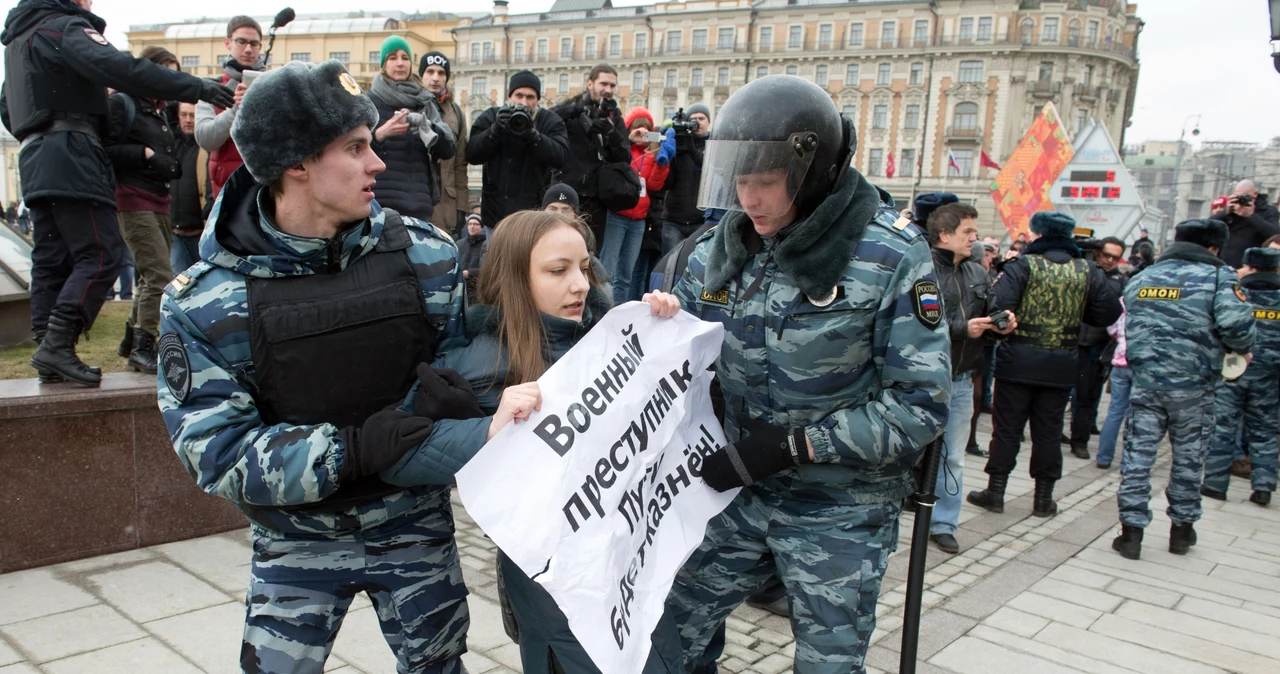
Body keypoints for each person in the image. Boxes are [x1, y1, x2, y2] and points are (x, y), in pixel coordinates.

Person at [156, 60, 469, 671]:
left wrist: (471, 395)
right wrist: (349, 452)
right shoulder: (203, 301)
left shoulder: (428, 256)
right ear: (294, 163)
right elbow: (216, 453)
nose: (377, 163)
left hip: (414, 530)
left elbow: (471, 369)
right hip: (297, 545)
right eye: (355, 148)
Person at [663, 75, 951, 674]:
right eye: (739, 180)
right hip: (736, 488)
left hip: (840, 504)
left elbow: (919, 405)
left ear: (812, 173)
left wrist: (795, 445)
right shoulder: (723, 246)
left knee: (828, 663)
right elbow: (679, 351)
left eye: (765, 183)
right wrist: (656, 326)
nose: (749, 199)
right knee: (667, 639)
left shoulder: (889, 254)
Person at [380, 209, 685, 673]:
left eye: (584, 267)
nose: (580, 284)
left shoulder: (607, 336)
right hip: (557, 596)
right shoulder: (483, 358)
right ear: (516, 279)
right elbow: (399, 453)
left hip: (630, 572)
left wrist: (661, 330)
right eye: (558, 271)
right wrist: (488, 430)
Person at [1, 0, 234, 387]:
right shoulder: (63, 27)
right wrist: (196, 87)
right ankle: (58, 344)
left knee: (52, 255)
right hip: (73, 150)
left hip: (36, 153)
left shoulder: (20, 39)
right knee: (102, 252)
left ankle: (49, 347)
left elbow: (9, 107)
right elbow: (120, 68)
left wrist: (39, 131)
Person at [1112, 219, 1256, 559]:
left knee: (1137, 458)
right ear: (1214, 248)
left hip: (1146, 383)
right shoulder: (1220, 278)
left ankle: (1131, 534)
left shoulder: (1144, 276)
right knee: (1189, 460)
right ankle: (1181, 531)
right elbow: (1238, 327)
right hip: (1195, 387)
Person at [968, 212, 1121, 518]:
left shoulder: (1023, 265)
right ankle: (1043, 499)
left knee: (1007, 429)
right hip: (1062, 362)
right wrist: (1077, 316)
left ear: (1038, 235)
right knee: (1049, 432)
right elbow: (1108, 312)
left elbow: (997, 304)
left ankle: (996, 491)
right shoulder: (1086, 270)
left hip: (1018, 361)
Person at [927, 201, 1016, 554]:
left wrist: (1001, 324)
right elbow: (916, 328)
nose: (974, 240)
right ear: (944, 235)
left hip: (961, 381)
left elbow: (990, 311)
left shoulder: (978, 274)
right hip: (919, 381)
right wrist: (963, 329)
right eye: (968, 232)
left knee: (953, 457)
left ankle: (944, 523)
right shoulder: (922, 270)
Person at [105, 46, 184, 375]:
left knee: (150, 275)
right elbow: (105, 149)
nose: (169, 81)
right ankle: (143, 346)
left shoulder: (159, 112)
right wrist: (146, 154)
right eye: (164, 73)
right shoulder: (122, 104)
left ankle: (130, 340)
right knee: (160, 277)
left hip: (159, 200)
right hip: (132, 199)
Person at [1201, 247, 1280, 507]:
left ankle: (1215, 485)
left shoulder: (1236, 294)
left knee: (1222, 427)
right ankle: (1263, 487)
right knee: (1265, 429)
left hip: (1232, 371)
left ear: (1251, 267)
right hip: (1270, 376)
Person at [367, 36, 456, 224]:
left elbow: (448, 150)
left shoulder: (425, 101)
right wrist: (379, 135)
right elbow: (350, 149)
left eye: (405, 58)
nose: (400, 63)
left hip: (419, 204)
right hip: (379, 203)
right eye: (393, 58)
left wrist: (429, 129)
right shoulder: (369, 102)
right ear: (383, 64)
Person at [468, 70, 568, 228]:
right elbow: (472, 154)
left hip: (533, 216)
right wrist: (495, 131)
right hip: (496, 215)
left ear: (537, 100)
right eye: (519, 96)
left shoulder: (550, 121)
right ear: (510, 97)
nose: (524, 102)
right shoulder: (492, 116)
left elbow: (560, 157)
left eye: (530, 97)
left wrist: (533, 135)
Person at [600, 106, 674, 305]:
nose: (642, 133)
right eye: (637, 128)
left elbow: (654, 185)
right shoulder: (622, 153)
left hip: (638, 220)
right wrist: (626, 139)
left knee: (626, 275)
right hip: (617, 215)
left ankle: (620, 312)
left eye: (646, 129)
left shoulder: (650, 157)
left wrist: (662, 164)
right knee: (607, 270)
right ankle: (601, 310)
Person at [551, 64, 629, 248]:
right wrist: (578, 111)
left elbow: (625, 157)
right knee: (557, 247)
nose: (608, 90)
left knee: (590, 254)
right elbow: (546, 119)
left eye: (612, 85)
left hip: (596, 199)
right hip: (566, 193)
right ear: (590, 83)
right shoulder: (571, 109)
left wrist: (611, 132)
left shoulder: (614, 117)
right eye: (603, 84)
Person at [1066, 237, 1128, 459]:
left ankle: (1079, 439)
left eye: (1115, 257)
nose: (1110, 260)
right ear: (1097, 253)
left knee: (1088, 397)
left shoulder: (1121, 281)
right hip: (1069, 341)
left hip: (1096, 346)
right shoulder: (1081, 271)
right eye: (1106, 255)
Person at [194, 15, 263, 201]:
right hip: (226, 193)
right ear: (228, 43)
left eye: (254, 43)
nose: (248, 49)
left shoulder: (274, 86)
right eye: (241, 41)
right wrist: (235, 110)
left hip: (266, 190)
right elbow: (205, 139)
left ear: (260, 47)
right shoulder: (211, 89)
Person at [420, 51, 469, 235]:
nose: (435, 78)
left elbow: (461, 163)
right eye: (430, 72)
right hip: (416, 196)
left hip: (446, 202)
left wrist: (462, 207)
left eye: (441, 73)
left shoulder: (456, 113)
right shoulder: (410, 104)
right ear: (421, 75)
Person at [659, 103, 710, 254]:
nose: (697, 122)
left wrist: (692, 151)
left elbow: (712, 170)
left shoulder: (714, 144)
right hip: (674, 219)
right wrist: (668, 153)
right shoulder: (678, 144)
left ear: (709, 122)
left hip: (701, 221)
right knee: (670, 267)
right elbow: (666, 183)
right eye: (693, 119)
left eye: (701, 118)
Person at [169, 101, 207, 276]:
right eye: (184, 115)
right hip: (175, 232)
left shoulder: (206, 146)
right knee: (178, 285)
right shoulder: (172, 142)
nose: (188, 120)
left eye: (193, 115)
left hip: (199, 231)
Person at [1093, 302, 1131, 470]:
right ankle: (1128, 464)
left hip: (1120, 361)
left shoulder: (1124, 299)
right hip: (1143, 365)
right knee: (1137, 415)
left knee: (1115, 412)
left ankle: (1103, 457)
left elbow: (1112, 329)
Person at [1212, 180, 1280, 268]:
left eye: (1245, 196)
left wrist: (1251, 215)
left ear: (1255, 194)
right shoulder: (1231, 210)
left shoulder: (1267, 211)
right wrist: (1225, 211)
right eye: (1238, 196)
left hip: (1252, 264)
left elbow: (1274, 233)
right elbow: (1208, 227)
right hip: (1225, 262)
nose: (1241, 200)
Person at [457, 213, 486, 302]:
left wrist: (470, 273)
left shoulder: (486, 245)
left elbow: (488, 268)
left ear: (482, 227)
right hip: (460, 287)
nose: (472, 227)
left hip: (478, 288)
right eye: (469, 224)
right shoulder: (459, 244)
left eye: (476, 224)